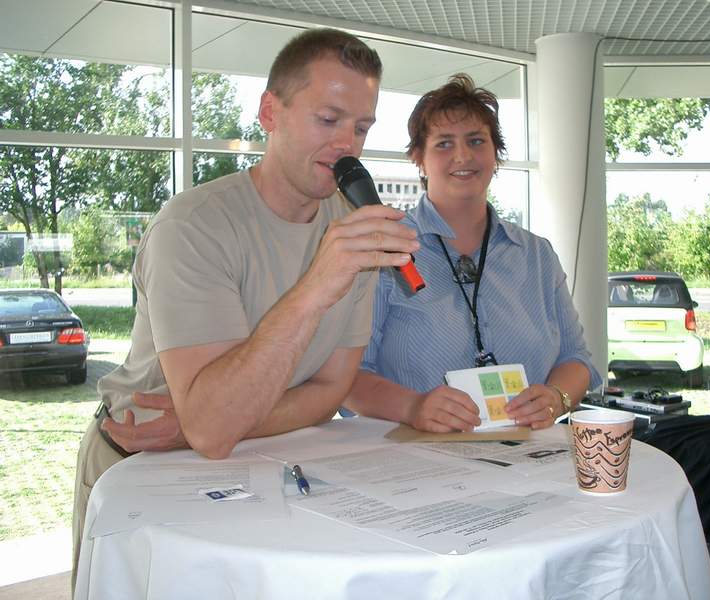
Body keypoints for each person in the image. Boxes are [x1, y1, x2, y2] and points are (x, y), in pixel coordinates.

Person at [72, 28, 419, 588]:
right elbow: (215, 425)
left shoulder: (347, 230)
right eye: (328, 120)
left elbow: (331, 392)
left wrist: (203, 425)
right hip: (140, 466)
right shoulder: (194, 225)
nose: (346, 144)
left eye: (360, 127)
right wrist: (317, 284)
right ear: (269, 112)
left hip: (256, 461)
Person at [343, 74, 601, 432]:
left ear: (496, 154)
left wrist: (556, 397)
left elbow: (577, 360)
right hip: (416, 463)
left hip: (527, 460)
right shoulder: (383, 251)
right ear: (418, 158)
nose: (463, 155)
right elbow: (348, 379)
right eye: (444, 144)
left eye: (476, 141)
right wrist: (414, 407)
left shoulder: (537, 256)